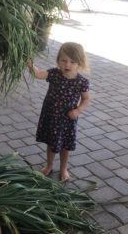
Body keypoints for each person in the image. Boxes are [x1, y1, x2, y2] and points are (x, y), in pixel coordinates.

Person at [27, 42, 91, 180]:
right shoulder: (54, 73)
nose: (67, 65)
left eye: (72, 62)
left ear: (79, 63)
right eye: (63, 60)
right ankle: (49, 165)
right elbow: (38, 74)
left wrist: (78, 111)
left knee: (65, 145)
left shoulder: (81, 82)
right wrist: (29, 64)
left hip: (67, 119)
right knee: (51, 142)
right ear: (58, 61)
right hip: (51, 116)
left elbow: (86, 99)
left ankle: (63, 169)